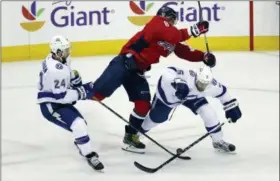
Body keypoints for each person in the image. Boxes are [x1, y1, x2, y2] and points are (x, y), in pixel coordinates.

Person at [91, 6, 216, 153]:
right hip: (124, 63)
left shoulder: (170, 36)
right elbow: (174, 34)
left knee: (143, 105)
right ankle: (68, 100)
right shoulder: (157, 23)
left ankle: (130, 136)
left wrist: (203, 57)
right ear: (165, 16)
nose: (173, 22)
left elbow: (183, 51)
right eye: (172, 18)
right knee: (96, 94)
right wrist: (194, 30)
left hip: (137, 71)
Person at [37, 35, 104, 170]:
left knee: (81, 124)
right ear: (58, 52)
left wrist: (74, 78)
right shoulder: (55, 70)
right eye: (66, 50)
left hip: (59, 99)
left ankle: (81, 144)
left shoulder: (58, 58)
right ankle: (88, 154)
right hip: (51, 105)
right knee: (79, 126)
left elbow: (66, 72)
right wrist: (82, 92)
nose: (68, 53)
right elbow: (61, 96)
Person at [139, 66, 242, 152]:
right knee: (158, 118)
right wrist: (178, 82)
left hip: (193, 98)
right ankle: (137, 132)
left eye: (205, 84)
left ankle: (218, 141)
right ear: (196, 78)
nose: (202, 86)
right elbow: (168, 71)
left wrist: (231, 107)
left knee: (209, 113)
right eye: (201, 83)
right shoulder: (187, 76)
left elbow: (223, 93)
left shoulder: (211, 85)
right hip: (169, 97)